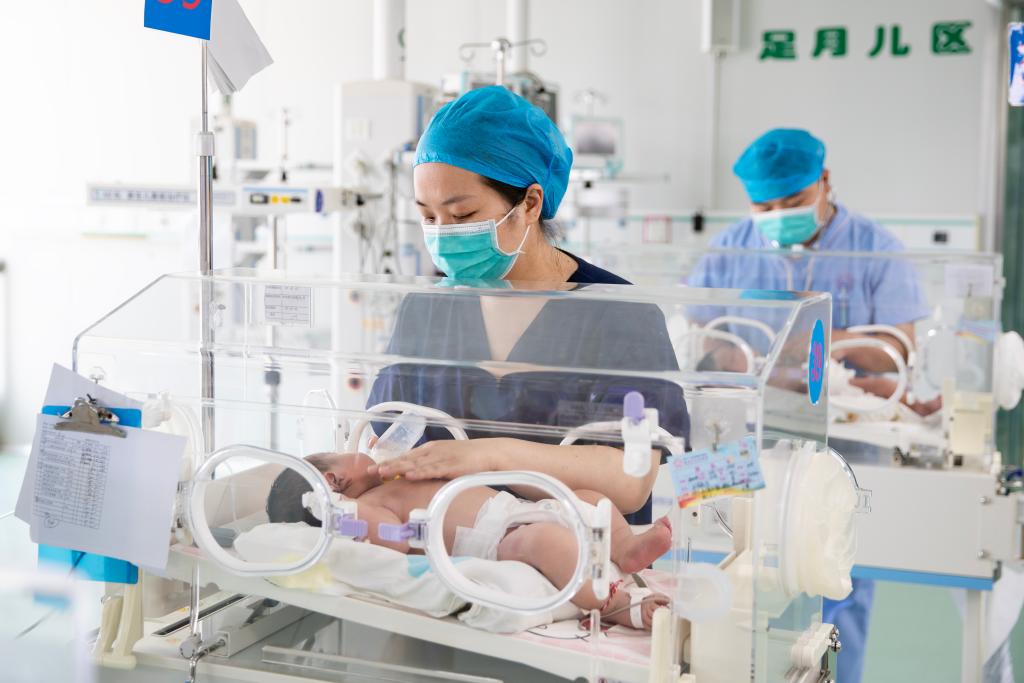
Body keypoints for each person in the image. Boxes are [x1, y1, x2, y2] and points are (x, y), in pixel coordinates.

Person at [358, 85, 690, 526]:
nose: (442, 233)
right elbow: (386, 437)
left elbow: (629, 481)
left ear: (530, 203)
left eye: (462, 216)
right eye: (428, 216)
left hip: (575, 556)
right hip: (442, 547)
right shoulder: (427, 308)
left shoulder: (619, 312)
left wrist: (490, 456)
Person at [689, 128, 930, 683]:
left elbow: (898, 349)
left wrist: (819, 342)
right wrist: (737, 354)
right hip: (751, 443)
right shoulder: (731, 249)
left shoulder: (874, 249)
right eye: (764, 207)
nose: (778, 217)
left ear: (824, 181)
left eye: (793, 202)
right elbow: (699, 336)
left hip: (844, 451)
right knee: (738, 573)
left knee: (835, 582)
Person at [266, 452, 672, 629]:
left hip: (517, 508)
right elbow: (393, 541)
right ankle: (614, 604)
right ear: (335, 481)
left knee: (592, 500)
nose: (354, 452)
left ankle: (626, 547)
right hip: (500, 539)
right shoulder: (366, 507)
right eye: (343, 453)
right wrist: (346, 515)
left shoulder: (388, 481)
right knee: (547, 542)